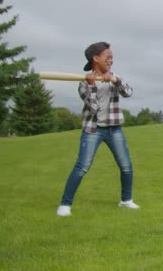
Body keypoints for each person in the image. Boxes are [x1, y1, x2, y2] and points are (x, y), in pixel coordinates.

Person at [56, 42, 140, 216]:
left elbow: (128, 92)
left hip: (114, 128)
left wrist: (115, 80)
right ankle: (65, 205)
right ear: (95, 58)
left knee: (126, 166)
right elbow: (92, 108)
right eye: (107, 57)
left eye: (112, 58)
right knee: (82, 166)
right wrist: (93, 86)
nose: (110, 61)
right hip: (93, 129)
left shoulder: (115, 77)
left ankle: (126, 200)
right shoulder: (84, 84)